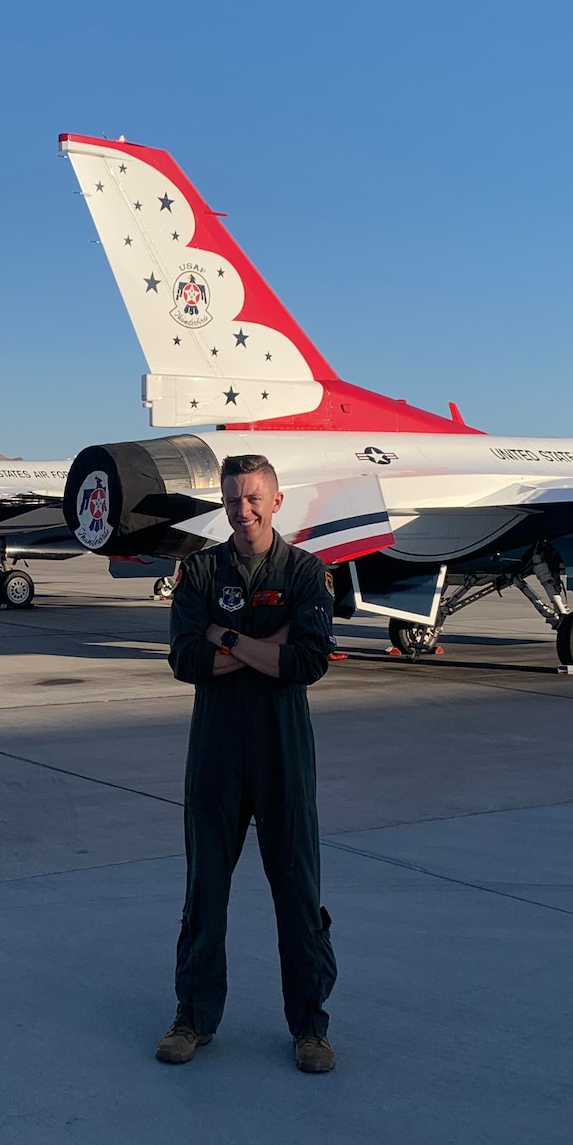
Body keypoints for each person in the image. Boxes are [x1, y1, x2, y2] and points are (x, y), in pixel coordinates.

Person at [157, 453, 338, 1073]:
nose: (244, 509)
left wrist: (224, 636)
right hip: (216, 751)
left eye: (255, 497)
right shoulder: (201, 572)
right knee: (205, 888)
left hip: (282, 749)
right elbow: (185, 659)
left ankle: (310, 1027)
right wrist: (265, 644)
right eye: (234, 499)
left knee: (297, 888)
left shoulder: (307, 574)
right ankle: (193, 1017)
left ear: (277, 501)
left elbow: (306, 662)